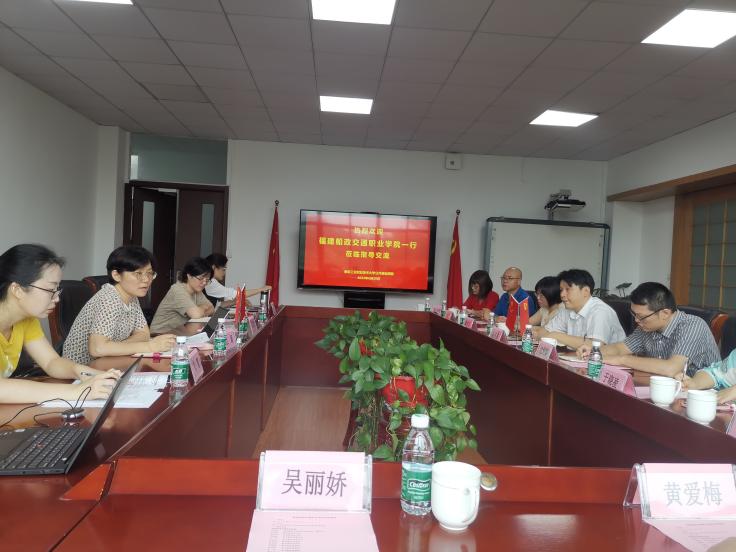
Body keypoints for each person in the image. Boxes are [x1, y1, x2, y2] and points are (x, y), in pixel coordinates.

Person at [0, 244, 120, 404]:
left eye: (58, 290)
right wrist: (79, 391)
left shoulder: (26, 320)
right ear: (17, 290)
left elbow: (51, 362)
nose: (56, 298)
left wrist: (87, 373)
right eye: (51, 290)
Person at [63, 246, 177, 365]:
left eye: (149, 273)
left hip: (108, 364)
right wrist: (150, 346)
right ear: (116, 275)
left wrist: (114, 348)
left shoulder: (131, 296)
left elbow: (143, 334)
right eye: (138, 273)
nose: (146, 279)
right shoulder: (109, 298)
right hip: (80, 370)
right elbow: (97, 349)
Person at [576, 282, 720, 377]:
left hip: (705, 396)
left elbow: (671, 368)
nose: (636, 321)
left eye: (641, 316)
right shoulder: (646, 327)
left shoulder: (692, 325)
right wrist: (595, 352)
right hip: (667, 388)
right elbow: (620, 348)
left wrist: (621, 360)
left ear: (665, 313)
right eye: (634, 314)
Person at [537, 268, 625, 349]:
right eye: (561, 290)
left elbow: (595, 346)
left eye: (567, 289)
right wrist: (541, 334)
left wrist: (557, 335)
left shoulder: (600, 311)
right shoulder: (567, 309)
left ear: (585, 291)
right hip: (577, 357)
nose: (562, 295)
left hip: (607, 359)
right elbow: (544, 332)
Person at [150, 257, 216, 334]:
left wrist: (200, 311)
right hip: (159, 334)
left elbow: (212, 309)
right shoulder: (177, 290)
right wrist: (203, 308)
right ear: (189, 276)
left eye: (207, 280)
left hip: (178, 331)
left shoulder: (197, 291)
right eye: (201, 279)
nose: (204, 283)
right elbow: (196, 314)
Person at [204, 253, 271, 308]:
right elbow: (238, 294)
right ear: (213, 267)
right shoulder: (210, 283)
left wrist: (236, 301)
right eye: (223, 270)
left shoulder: (212, 281)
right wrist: (261, 289)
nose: (224, 273)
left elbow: (217, 306)